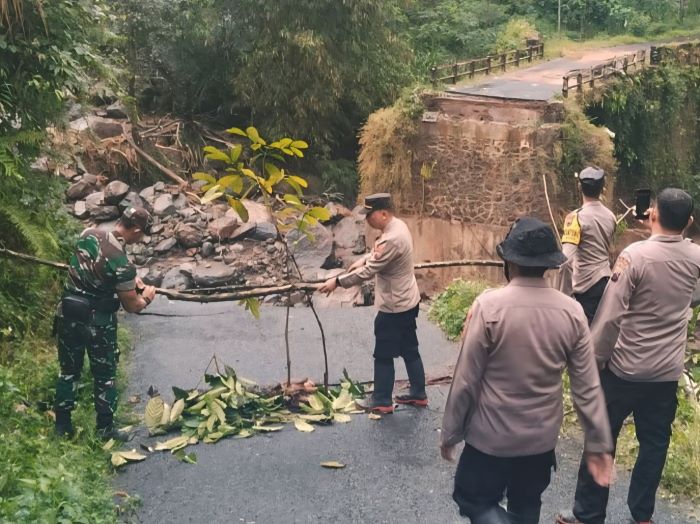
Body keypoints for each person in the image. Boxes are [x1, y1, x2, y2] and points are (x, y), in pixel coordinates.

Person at [441, 217, 614, 524]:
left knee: (471, 498)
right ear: (549, 264)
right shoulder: (572, 312)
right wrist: (600, 444)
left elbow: (466, 380)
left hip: (490, 439)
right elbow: (587, 387)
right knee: (526, 504)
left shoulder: (489, 307)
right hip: (540, 442)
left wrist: (451, 432)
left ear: (509, 262)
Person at [557, 188, 700, 524]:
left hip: (623, 369)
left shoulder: (634, 256)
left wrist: (593, 360)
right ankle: (642, 515)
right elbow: (693, 295)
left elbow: (609, 317)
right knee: (654, 444)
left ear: (652, 215)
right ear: (689, 222)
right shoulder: (695, 258)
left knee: (601, 437)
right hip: (665, 373)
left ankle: (589, 513)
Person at [54, 206, 156, 440]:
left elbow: (93, 265)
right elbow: (132, 306)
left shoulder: (88, 233)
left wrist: (129, 281)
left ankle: (62, 427)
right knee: (104, 375)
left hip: (68, 314)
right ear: (137, 229)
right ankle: (106, 430)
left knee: (68, 372)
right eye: (143, 234)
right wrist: (147, 297)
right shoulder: (123, 263)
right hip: (97, 324)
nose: (142, 238)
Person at [318, 193, 426, 414]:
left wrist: (337, 282)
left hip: (394, 306)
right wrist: (361, 258)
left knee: (383, 354)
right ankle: (418, 394)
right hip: (407, 299)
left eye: (370, 215)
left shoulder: (392, 238)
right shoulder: (397, 227)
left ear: (383, 214)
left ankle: (382, 401)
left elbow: (369, 271)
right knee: (410, 349)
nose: (367, 220)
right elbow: (377, 256)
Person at [559, 166, 617, 324]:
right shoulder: (611, 217)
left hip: (585, 287)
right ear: (602, 188)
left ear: (579, 187)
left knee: (582, 339)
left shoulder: (575, 218)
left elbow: (566, 261)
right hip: (606, 283)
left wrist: (564, 296)